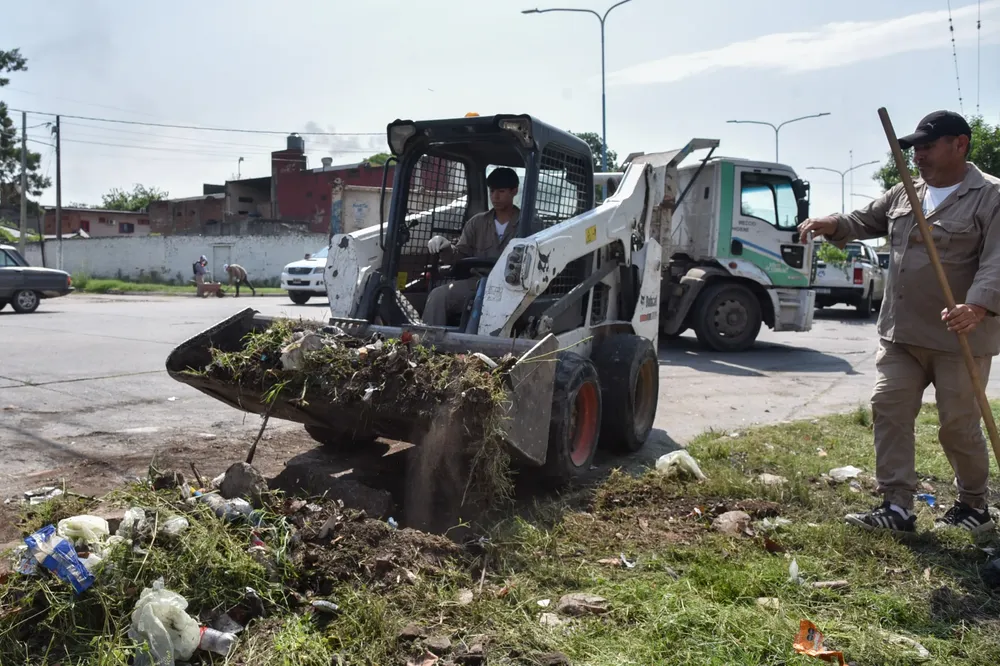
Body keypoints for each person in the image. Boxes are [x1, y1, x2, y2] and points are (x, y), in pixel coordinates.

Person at [798, 110, 1000, 534]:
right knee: (888, 407)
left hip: (959, 336)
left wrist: (977, 306)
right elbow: (863, 220)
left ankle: (974, 507)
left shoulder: (991, 196)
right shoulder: (906, 192)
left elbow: (997, 262)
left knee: (957, 426)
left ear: (960, 144)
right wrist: (830, 223)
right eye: (914, 148)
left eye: (927, 145)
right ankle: (897, 506)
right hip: (901, 334)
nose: (918, 154)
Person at [422, 167, 520, 326]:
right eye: (492, 191)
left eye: (501, 191)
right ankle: (429, 344)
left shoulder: (529, 223)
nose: (495, 196)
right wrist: (445, 246)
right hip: (478, 283)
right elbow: (459, 256)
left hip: (515, 288)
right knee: (438, 296)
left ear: (514, 191)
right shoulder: (477, 223)